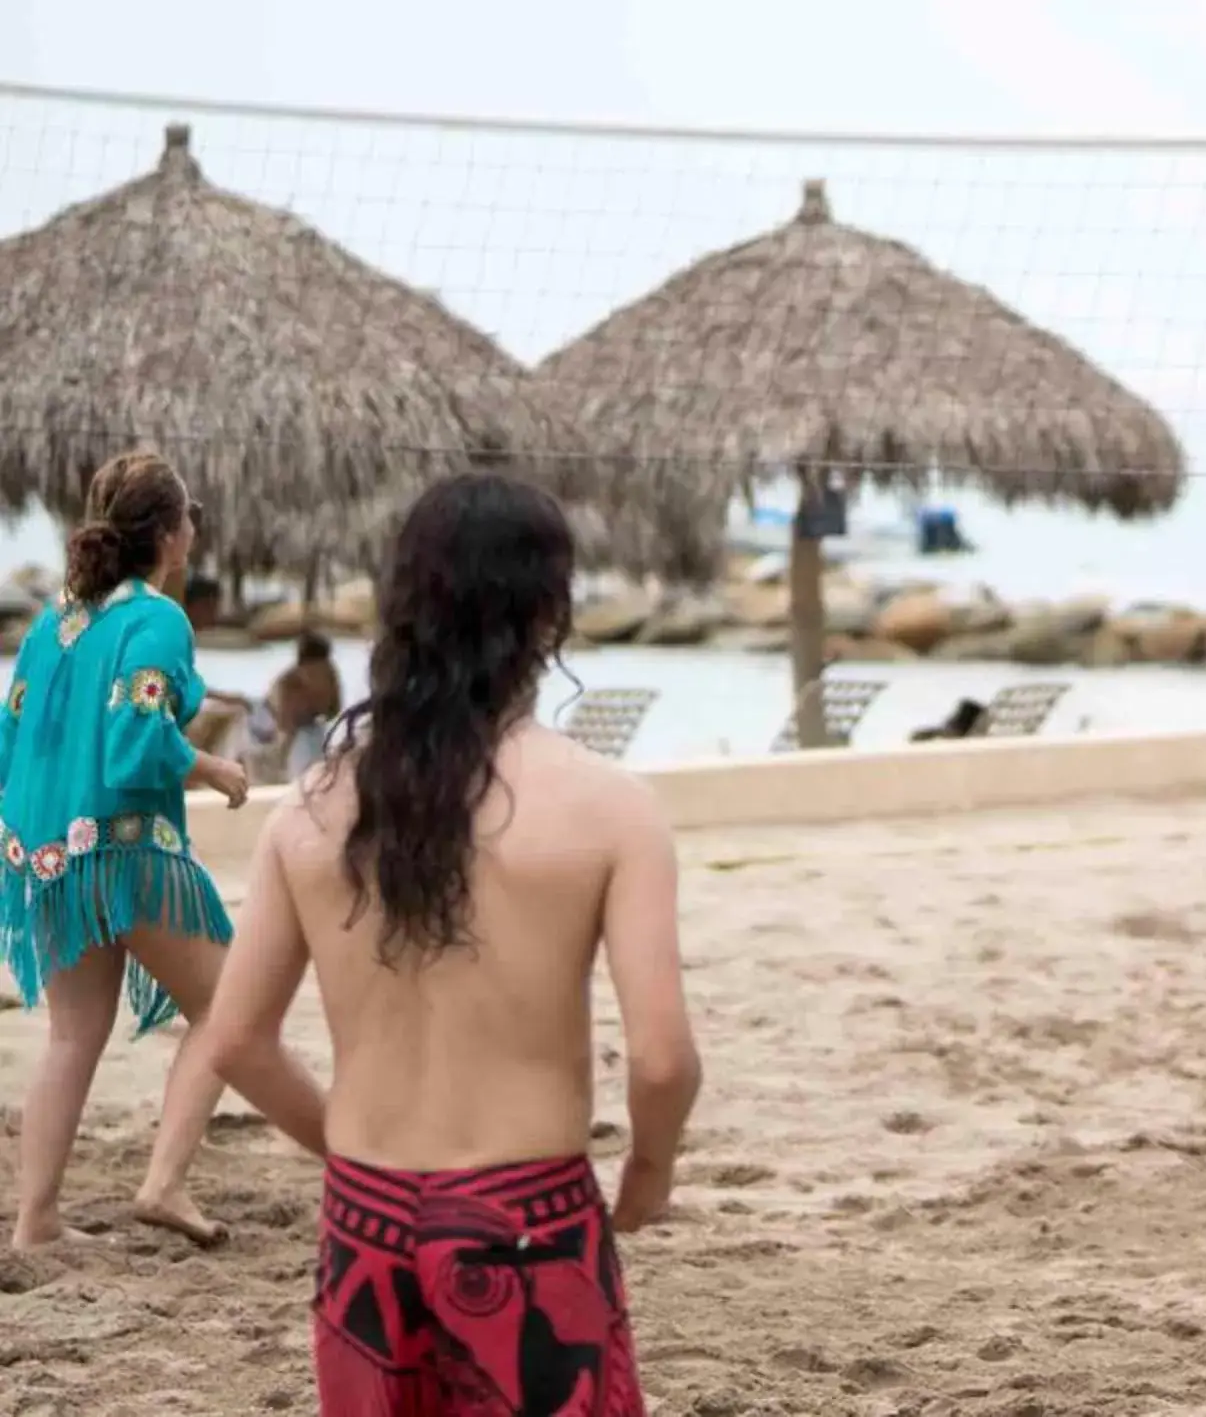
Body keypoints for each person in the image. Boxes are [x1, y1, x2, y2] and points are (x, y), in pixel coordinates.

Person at [194, 473, 701, 1411]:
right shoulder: (609, 809)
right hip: (528, 1219)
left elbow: (234, 1043)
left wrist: (348, 1148)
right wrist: (649, 1169)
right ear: (551, 612)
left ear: (401, 608)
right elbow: (663, 1058)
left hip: (365, 1226)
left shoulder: (308, 812)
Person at [1, 451, 327, 1248]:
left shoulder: (57, 622)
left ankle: (36, 1221)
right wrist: (211, 766)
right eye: (191, 519)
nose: (194, 532)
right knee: (226, 1007)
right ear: (171, 533)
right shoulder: (157, 618)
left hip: (45, 853)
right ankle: (167, 1184)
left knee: (74, 1036)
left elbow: (16, 733)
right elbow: (131, 741)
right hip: (124, 849)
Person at [263, 631, 343, 780]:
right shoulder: (289, 682)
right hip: (291, 732)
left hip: (307, 732)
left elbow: (334, 709)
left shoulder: (327, 674)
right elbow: (286, 724)